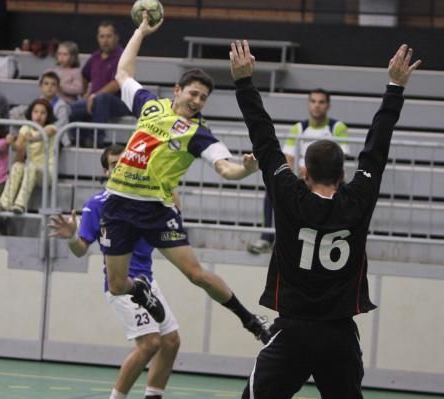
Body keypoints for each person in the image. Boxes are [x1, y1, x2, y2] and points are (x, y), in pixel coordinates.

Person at [230, 40, 420, 398]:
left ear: (304, 172)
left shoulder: (289, 196)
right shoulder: (358, 199)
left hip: (294, 333)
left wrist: (244, 83)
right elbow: (377, 149)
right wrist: (395, 88)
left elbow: (265, 140)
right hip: (339, 336)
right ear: (344, 172)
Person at [99, 13, 271, 344]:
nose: (196, 101)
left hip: (155, 210)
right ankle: (143, 291)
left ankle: (251, 321)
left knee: (196, 274)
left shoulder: (198, 133)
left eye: (203, 98)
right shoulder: (150, 106)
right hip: (118, 205)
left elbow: (226, 168)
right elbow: (123, 73)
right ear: (178, 91)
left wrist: (247, 168)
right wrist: (141, 31)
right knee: (119, 284)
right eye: (192, 93)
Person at [49, 144, 180, 399]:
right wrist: (72, 236)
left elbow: (174, 211)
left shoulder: (150, 198)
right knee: (151, 343)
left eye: (124, 162)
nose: (119, 168)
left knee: (171, 341)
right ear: (106, 171)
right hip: (122, 286)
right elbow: (80, 249)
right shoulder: (97, 204)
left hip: (147, 282)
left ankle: (153, 395)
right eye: (113, 165)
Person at [247, 88, 350, 254]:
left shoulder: (337, 127)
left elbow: (340, 160)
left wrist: (316, 171)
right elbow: (289, 159)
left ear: (328, 106)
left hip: (329, 178)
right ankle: (267, 238)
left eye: (321, 102)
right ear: (309, 104)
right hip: (304, 178)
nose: (317, 106)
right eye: (313, 101)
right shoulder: (298, 128)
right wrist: (300, 174)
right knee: (273, 191)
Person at [0, 98, 56, 214]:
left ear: (48, 115)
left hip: (47, 172)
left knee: (31, 167)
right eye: (35, 112)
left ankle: (20, 204)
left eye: (42, 112)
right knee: (17, 166)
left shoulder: (52, 128)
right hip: (29, 169)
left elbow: (44, 134)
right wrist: (12, 142)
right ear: (31, 113)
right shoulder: (25, 128)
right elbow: (18, 147)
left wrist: (32, 138)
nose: (38, 115)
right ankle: (4, 203)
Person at [69, 20, 130, 148]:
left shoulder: (123, 56)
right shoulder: (95, 57)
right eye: (102, 36)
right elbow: (85, 75)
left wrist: (94, 96)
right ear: (97, 38)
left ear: (116, 37)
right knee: (71, 108)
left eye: (109, 36)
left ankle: (96, 140)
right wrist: (85, 92)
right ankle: (80, 140)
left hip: (120, 102)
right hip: (95, 100)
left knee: (102, 99)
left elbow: (117, 83)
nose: (105, 40)